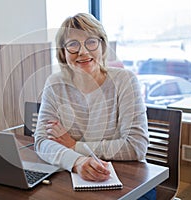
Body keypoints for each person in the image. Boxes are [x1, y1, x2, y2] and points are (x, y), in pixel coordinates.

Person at [34, 13, 154, 198]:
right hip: (73, 178)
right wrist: (77, 161)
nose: (83, 51)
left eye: (91, 42)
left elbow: (136, 146)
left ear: (102, 46)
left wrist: (75, 146)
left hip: (129, 182)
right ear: (63, 53)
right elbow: (42, 142)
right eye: (73, 44)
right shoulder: (54, 84)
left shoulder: (125, 81)